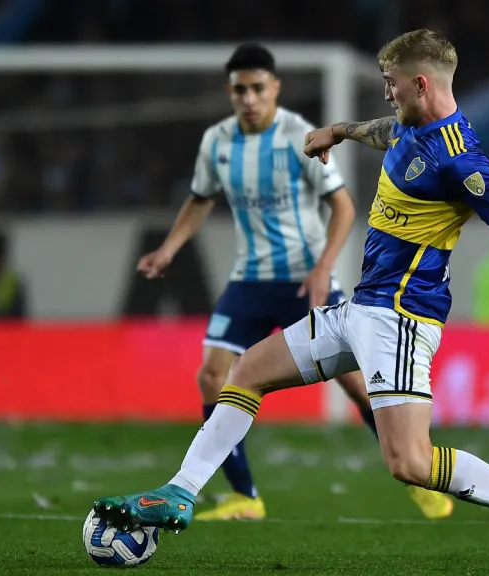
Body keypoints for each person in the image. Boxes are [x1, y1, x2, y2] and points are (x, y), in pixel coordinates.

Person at [94, 30, 489, 574]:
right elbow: (385, 131)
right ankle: (181, 492)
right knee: (246, 371)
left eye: (391, 85)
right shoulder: (411, 125)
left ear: (420, 84)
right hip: (360, 310)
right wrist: (340, 131)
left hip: (401, 320)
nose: (386, 95)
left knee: (409, 463)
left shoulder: (461, 160)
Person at [133, 42, 451, 522]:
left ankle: (416, 475)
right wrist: (168, 250)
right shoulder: (216, 142)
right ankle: (245, 495)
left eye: (258, 88)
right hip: (251, 278)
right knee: (212, 376)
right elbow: (199, 200)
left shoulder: (297, 135)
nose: (249, 98)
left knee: (355, 383)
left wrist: (324, 266)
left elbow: (342, 204)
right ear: (229, 92)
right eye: (239, 90)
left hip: (304, 279)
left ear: (275, 88)